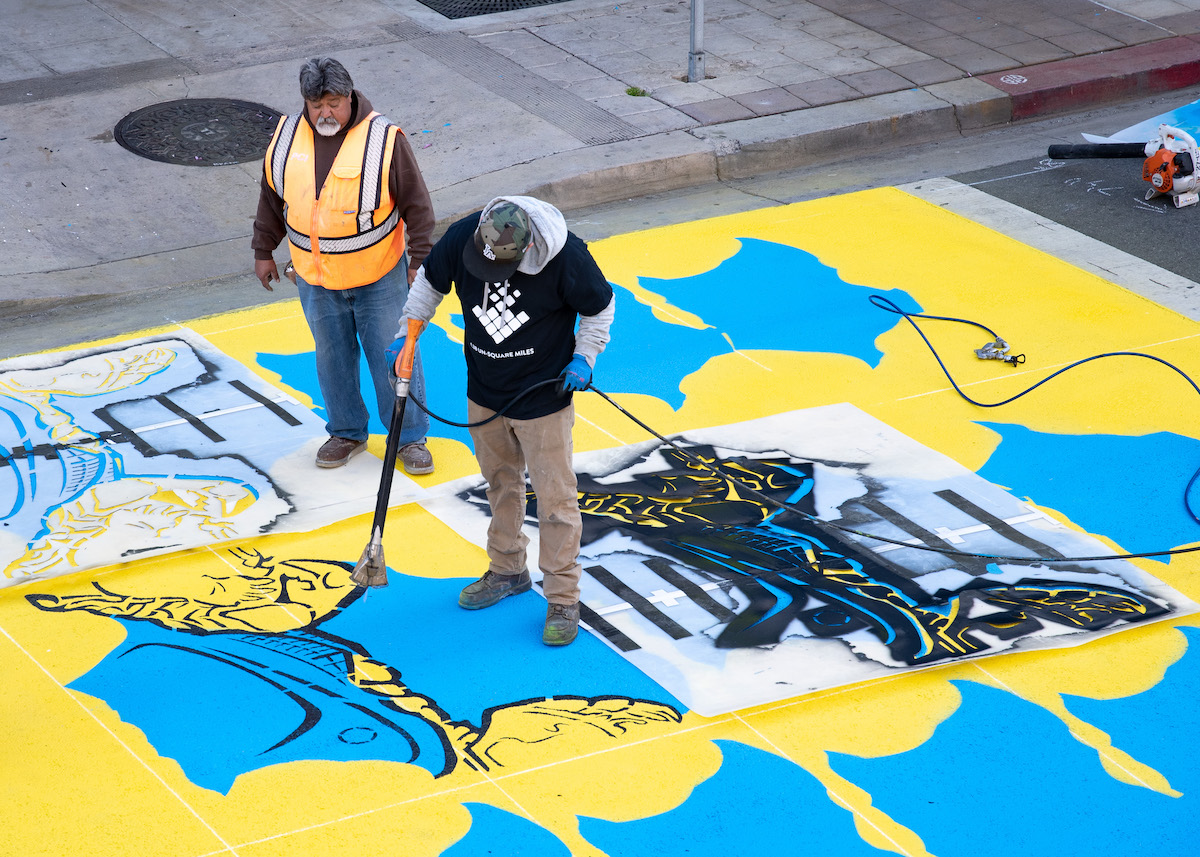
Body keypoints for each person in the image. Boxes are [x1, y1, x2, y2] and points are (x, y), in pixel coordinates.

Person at [391, 196, 615, 646]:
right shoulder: (465, 235)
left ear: (529, 247)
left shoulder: (567, 255)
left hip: (544, 397)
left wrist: (584, 357)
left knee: (555, 500)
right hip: (485, 389)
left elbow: (599, 308)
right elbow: (428, 286)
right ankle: (508, 570)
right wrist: (407, 335)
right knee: (499, 484)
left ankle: (563, 597)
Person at [251, 57, 435, 474]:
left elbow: (418, 208)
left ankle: (409, 439)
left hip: (380, 278)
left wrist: (418, 263)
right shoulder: (285, 138)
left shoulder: (385, 139)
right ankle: (347, 432)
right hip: (315, 279)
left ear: (349, 96)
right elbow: (271, 198)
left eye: (333, 103)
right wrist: (263, 251)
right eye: (316, 105)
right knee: (331, 358)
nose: (324, 113)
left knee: (393, 357)